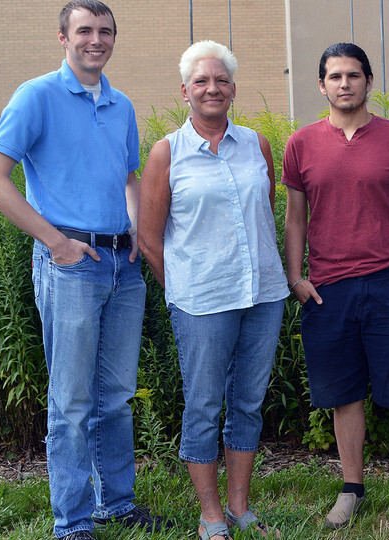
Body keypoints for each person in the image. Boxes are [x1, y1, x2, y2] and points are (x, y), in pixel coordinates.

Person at [0, 2, 164, 538]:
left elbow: (129, 177)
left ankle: (117, 504)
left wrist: (135, 233)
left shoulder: (121, 103)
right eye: (85, 30)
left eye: (105, 31)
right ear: (63, 36)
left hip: (120, 266)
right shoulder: (37, 96)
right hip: (72, 266)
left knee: (116, 396)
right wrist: (54, 241)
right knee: (73, 402)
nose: (96, 40)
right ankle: (73, 521)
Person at [282, 42, 389, 529]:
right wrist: (296, 277)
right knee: (343, 392)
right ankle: (352, 487)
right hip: (328, 288)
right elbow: (294, 219)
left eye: (354, 75)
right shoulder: (301, 144)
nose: (345, 84)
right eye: (335, 76)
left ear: (368, 82)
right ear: (322, 85)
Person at [137, 40, 287, 540]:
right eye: (201, 81)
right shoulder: (167, 153)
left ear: (233, 89)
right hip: (201, 302)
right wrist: (182, 292)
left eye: (221, 80)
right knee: (203, 405)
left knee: (247, 401)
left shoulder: (257, 144)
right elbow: (149, 238)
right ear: (185, 91)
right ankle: (211, 513)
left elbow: (264, 213)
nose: (212, 88)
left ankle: (242, 506)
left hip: (263, 295)